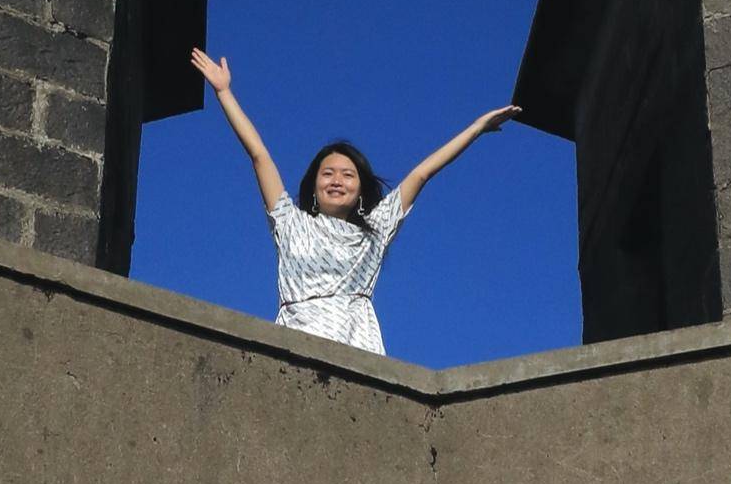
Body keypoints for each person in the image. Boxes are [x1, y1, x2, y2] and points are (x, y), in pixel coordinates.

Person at [190, 48, 518, 355]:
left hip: (356, 345)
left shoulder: (373, 233)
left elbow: (420, 174)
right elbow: (260, 155)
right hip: (294, 340)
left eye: (348, 175)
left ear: (360, 191)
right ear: (314, 186)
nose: (336, 180)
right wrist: (224, 93)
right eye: (327, 173)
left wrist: (476, 128)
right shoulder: (291, 223)